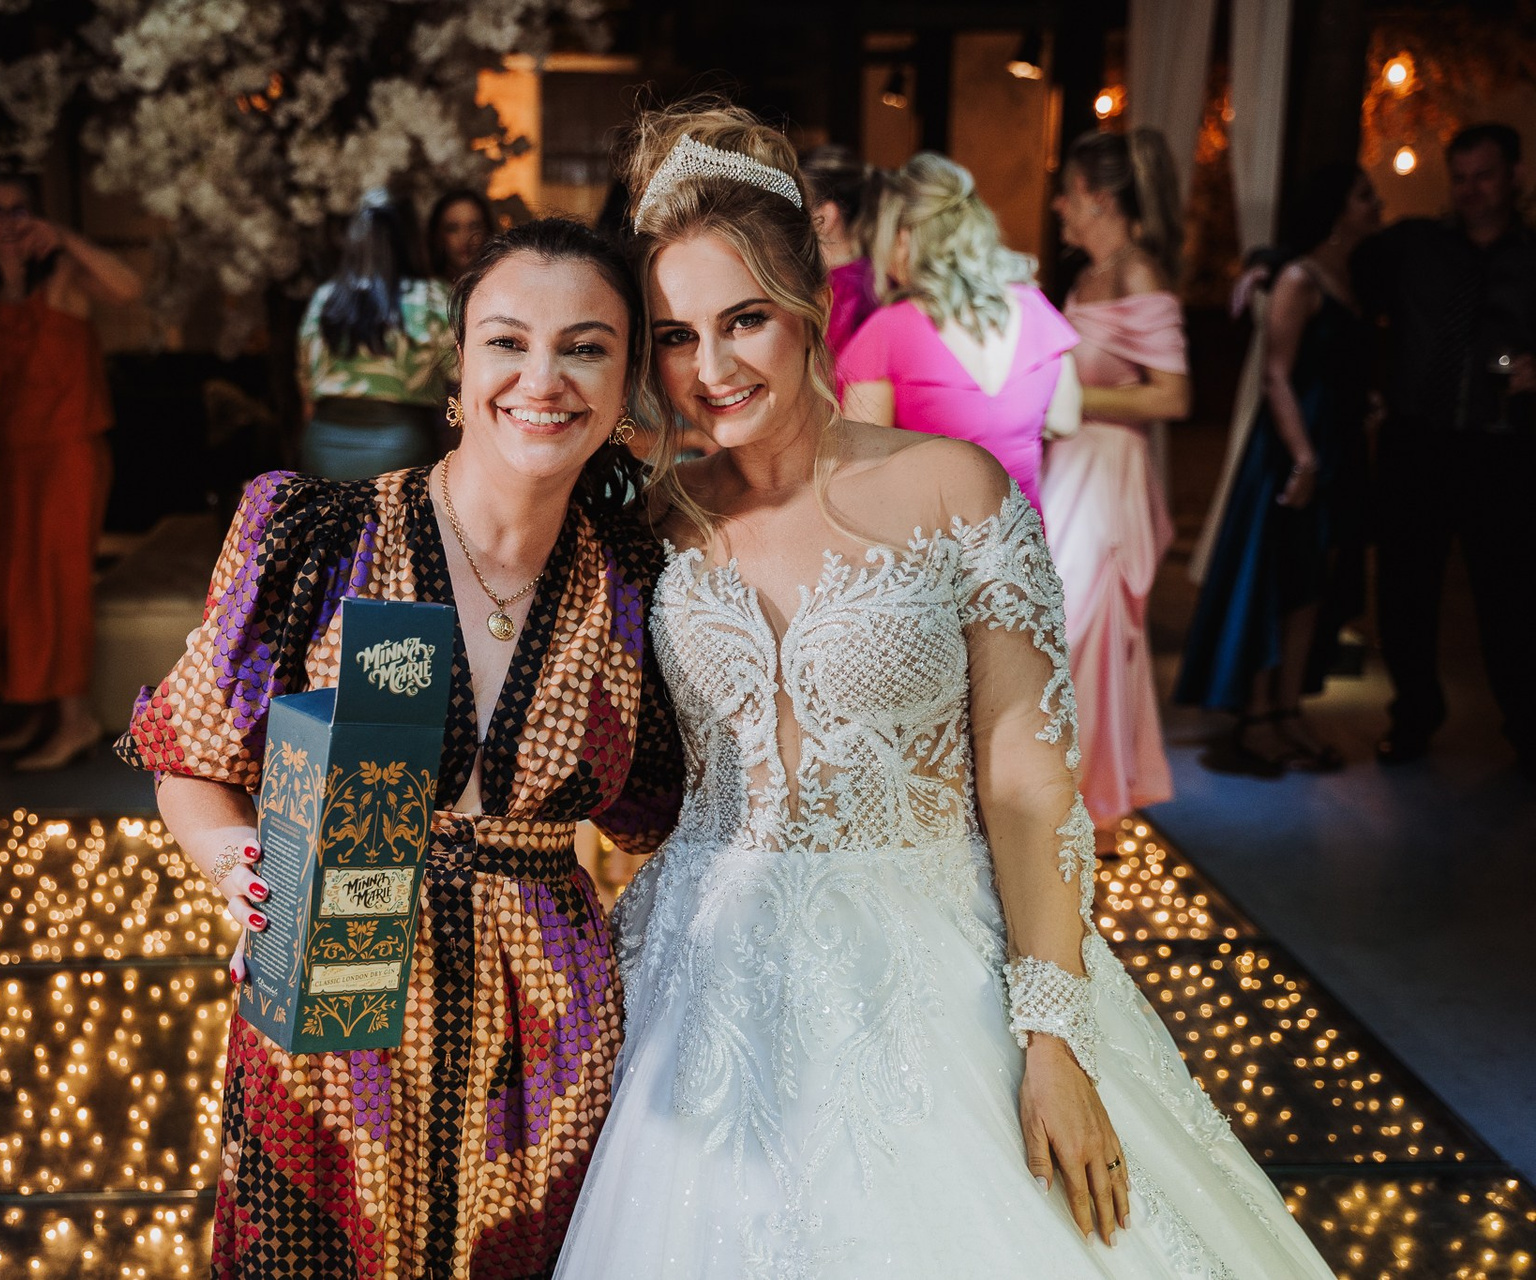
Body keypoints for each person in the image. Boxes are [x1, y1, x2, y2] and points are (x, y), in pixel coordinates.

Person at [553, 100, 1334, 1280]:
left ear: (809, 300)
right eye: (675, 336)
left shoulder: (955, 489)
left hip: (935, 968)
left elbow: (1027, 779)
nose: (711, 370)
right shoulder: (653, 521)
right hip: (700, 985)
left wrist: (1053, 1034)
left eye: (745, 319)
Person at [120, 217, 685, 1278]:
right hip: (331, 1017)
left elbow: (663, 814)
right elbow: (193, 757)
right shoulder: (319, 536)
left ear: (627, 386)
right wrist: (244, 869)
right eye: (508, 341)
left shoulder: (638, 582)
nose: (543, 378)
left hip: (547, 1047)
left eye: (586, 347)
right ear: (458, 366)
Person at [1175, 166, 1383, 774]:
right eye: (1364, 195)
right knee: (1274, 581)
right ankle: (1257, 716)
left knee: (1311, 587)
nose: (1376, 204)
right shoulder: (1299, 278)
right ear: (1335, 208)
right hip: (1292, 451)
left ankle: (1290, 710)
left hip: (1336, 446)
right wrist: (1304, 458)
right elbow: (1275, 375)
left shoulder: (1352, 275)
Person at [1356, 123, 1536, 778]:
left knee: (1509, 597)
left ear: (1514, 176)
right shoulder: (1415, 246)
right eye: (1459, 178)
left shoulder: (1531, 258)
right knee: (1405, 593)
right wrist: (1270, 264)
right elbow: (1336, 259)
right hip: (1417, 442)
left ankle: (1525, 727)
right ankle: (1413, 716)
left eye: (1483, 176)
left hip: (1500, 449)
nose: (1470, 190)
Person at [0, 173, 141, 770]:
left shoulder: (61, 279)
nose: (8, 222)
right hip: (17, 458)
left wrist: (63, 236)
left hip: (67, 453)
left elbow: (130, 287)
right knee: (16, 586)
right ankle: (40, 709)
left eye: (20, 210)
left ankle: (75, 719)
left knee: (58, 584)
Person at [1041, 128, 1191, 832]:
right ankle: (1072, 801)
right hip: (1070, 469)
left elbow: (1173, 397)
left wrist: (1071, 400)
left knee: (1087, 634)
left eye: (1065, 193)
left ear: (1097, 197)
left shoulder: (1139, 273)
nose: (1058, 206)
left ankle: (1093, 812)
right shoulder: (1086, 277)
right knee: (1059, 634)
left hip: (1108, 477)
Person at [838, 151, 1080, 511]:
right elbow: (1064, 420)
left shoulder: (888, 332)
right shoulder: (1034, 307)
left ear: (904, 238)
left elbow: (862, 469)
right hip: (1021, 539)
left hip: (933, 538)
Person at [296, 192, 455, 480]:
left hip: (324, 443)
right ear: (412, 239)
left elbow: (306, 384)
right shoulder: (432, 298)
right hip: (404, 443)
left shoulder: (325, 298)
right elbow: (462, 372)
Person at [801, 144, 880, 355]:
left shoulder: (845, 291)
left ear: (825, 217)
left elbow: (824, 366)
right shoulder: (874, 275)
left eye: (800, 207)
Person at [426, 187, 496, 285]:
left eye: (475, 227)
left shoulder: (500, 285)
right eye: (453, 229)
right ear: (437, 236)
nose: (465, 237)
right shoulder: (422, 292)